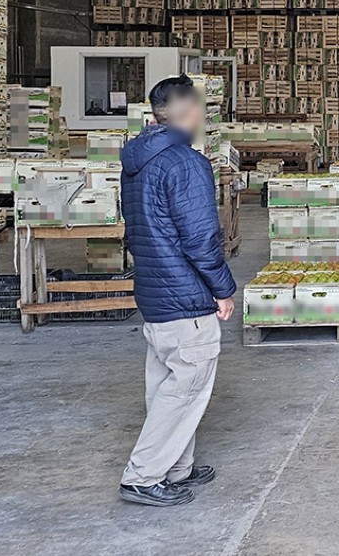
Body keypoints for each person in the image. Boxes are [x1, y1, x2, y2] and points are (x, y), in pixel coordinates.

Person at [118, 76, 236, 507]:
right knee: (185, 386)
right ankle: (143, 476)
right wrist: (222, 288)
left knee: (166, 381)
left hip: (153, 290)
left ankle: (175, 468)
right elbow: (201, 238)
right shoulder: (186, 163)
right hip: (184, 294)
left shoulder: (136, 160)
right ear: (190, 112)